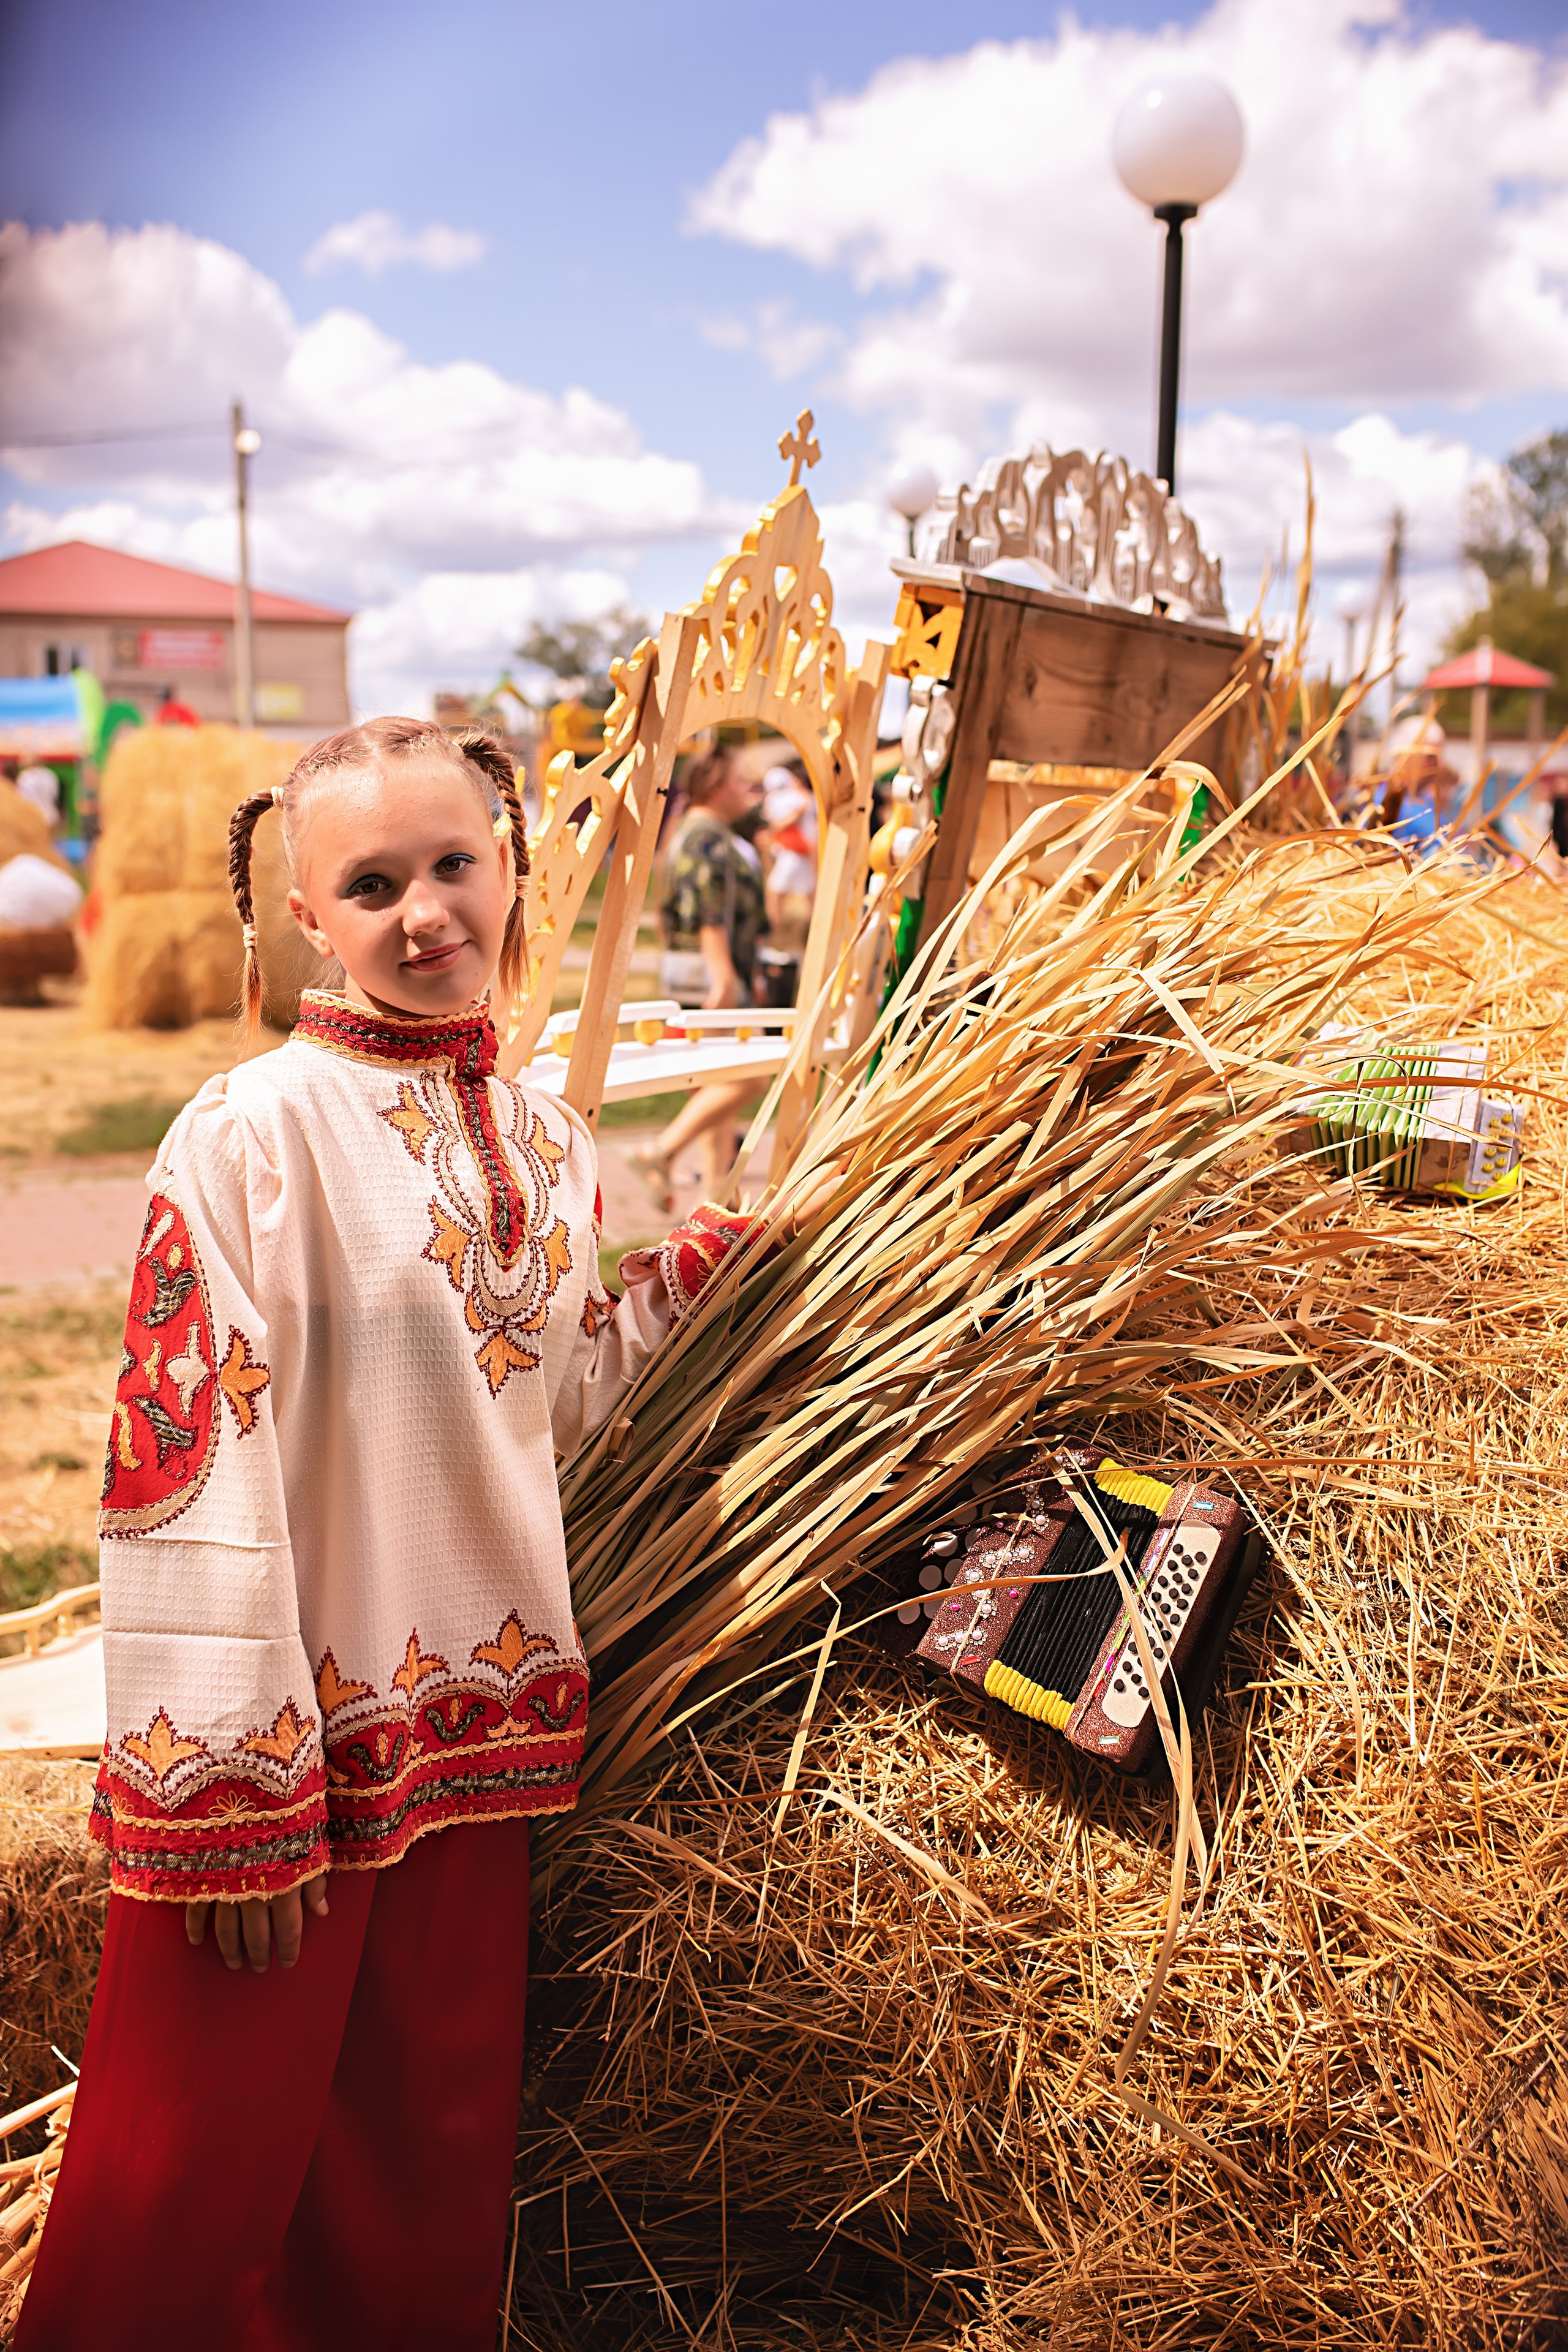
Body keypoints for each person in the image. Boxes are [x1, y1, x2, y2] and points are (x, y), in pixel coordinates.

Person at [15, 718, 756, 2352]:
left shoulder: (553, 1148)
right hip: (281, 1778)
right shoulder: (249, 1136)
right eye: (371, 883)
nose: (423, 911)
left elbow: (544, 1414)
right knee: (181, 2204)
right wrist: (226, 1789)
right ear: (305, 916)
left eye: (450, 866)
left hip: (474, 1746)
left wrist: (694, 1279)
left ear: (507, 871)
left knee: (416, 2197)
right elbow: (178, 1451)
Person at [636, 747, 769, 1205]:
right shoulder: (704, 836)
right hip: (714, 978)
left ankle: (718, 1197)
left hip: (715, 974)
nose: (748, 790)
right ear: (715, 786)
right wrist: (725, 977)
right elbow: (706, 912)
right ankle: (663, 1150)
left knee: (722, 1077)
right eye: (740, 781)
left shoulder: (703, 832)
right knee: (750, 1076)